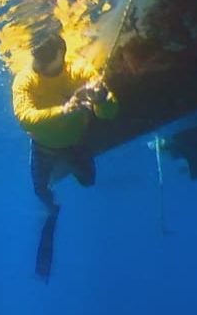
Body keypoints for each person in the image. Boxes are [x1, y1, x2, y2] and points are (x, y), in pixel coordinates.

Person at [12, 18, 118, 278]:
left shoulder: (79, 70)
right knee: (41, 193)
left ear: (61, 52)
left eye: (44, 59)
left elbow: (109, 113)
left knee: (89, 181)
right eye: (36, 58)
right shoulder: (25, 79)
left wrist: (102, 98)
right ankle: (53, 210)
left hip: (74, 143)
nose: (37, 66)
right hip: (43, 146)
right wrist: (66, 110)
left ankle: (63, 170)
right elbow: (25, 117)